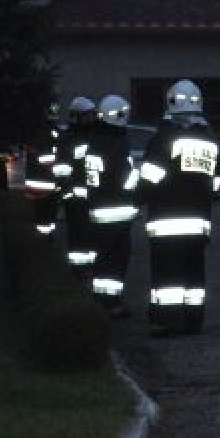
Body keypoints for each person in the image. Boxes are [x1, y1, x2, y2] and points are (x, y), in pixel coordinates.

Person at [137, 79, 220, 335]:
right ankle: (193, 321)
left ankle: (166, 323)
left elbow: (151, 178)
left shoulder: (164, 139)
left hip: (167, 220)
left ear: (171, 104)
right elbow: (214, 184)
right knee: (194, 273)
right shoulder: (209, 140)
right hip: (199, 221)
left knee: (167, 275)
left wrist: (138, 199)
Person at [84, 94, 139, 317]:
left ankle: (101, 300)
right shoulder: (115, 142)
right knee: (116, 259)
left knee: (103, 258)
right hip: (117, 210)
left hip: (98, 208)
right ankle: (112, 303)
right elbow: (125, 179)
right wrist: (138, 177)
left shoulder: (95, 140)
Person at [56, 95, 98, 280]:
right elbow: (62, 167)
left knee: (90, 233)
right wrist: (67, 191)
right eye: (87, 115)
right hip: (75, 196)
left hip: (92, 195)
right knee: (77, 234)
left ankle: (91, 266)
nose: (92, 118)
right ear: (77, 116)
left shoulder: (95, 135)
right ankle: (78, 270)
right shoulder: (68, 138)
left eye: (92, 114)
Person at [23, 101, 63, 236]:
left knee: (41, 214)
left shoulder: (35, 131)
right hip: (47, 182)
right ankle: (45, 242)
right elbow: (45, 158)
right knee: (47, 214)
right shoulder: (53, 133)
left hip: (37, 181)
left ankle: (42, 241)